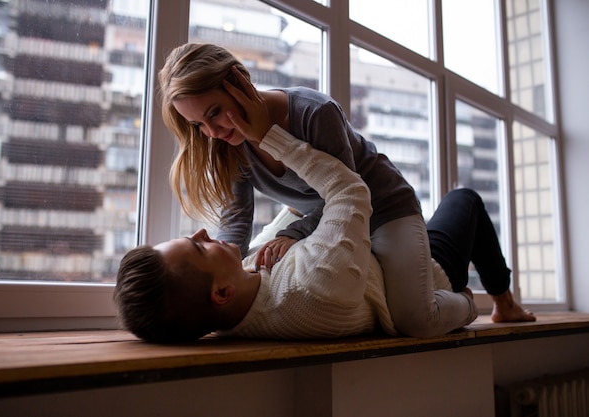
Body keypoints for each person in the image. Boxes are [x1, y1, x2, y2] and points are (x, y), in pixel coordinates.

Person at [152, 42, 533, 339]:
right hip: (326, 217)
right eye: (199, 125)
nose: (212, 133)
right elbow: (236, 219)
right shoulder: (227, 144)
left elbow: (350, 191)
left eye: (215, 112)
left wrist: (292, 232)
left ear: (239, 80)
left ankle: (469, 302)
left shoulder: (313, 113)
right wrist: (229, 264)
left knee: (415, 319)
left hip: (384, 207)